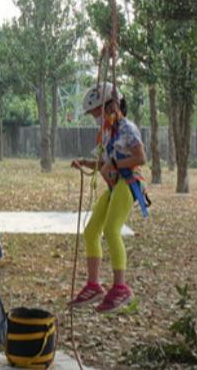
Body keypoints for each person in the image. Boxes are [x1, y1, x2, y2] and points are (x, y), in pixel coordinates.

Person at [69, 82, 147, 314]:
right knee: (91, 230)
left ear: (112, 105)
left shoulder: (126, 128)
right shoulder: (108, 132)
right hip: (115, 184)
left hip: (130, 182)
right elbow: (104, 165)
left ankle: (121, 287)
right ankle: (94, 285)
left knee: (112, 230)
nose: (96, 118)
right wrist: (85, 162)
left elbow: (141, 157)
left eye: (97, 113)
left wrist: (114, 164)